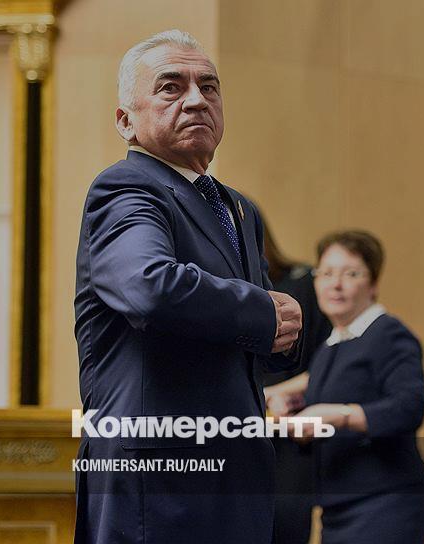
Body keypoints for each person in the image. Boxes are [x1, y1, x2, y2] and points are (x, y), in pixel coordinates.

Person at [73, 30, 302, 544]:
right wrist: (265, 315)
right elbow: (149, 285)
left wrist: (284, 331)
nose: (197, 100)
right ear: (125, 121)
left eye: (209, 87)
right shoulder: (127, 187)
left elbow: (253, 333)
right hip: (161, 479)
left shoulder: (236, 207)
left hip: (234, 475)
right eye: (171, 87)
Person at [265, 230, 424, 544]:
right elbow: (331, 390)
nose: (335, 284)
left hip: (383, 502)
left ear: (374, 283)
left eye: (350, 274)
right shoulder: (334, 344)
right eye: (326, 274)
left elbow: (409, 407)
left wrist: (337, 415)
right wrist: (296, 411)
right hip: (338, 507)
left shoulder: (389, 335)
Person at [258, 219, 332, 543]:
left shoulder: (301, 284)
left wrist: (271, 394)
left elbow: (329, 365)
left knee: (285, 524)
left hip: (289, 435)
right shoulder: (218, 298)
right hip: (240, 436)